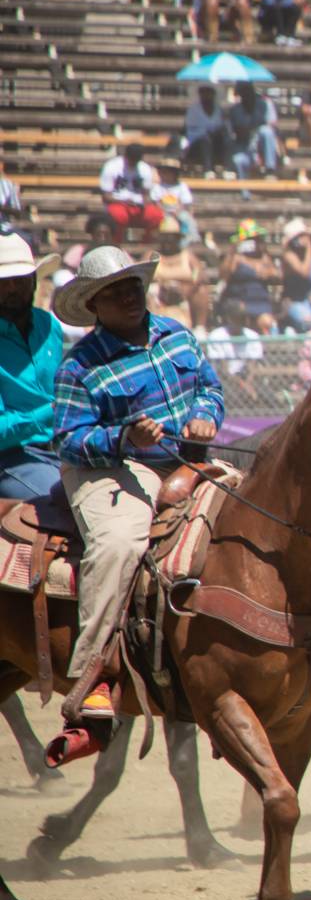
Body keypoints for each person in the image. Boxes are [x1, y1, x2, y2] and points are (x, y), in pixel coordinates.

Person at [46, 246, 223, 766]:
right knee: (120, 541)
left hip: (186, 460)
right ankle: (95, 679)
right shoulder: (80, 365)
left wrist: (205, 417)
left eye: (133, 286)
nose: (129, 297)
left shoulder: (177, 335)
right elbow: (69, 441)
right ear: (93, 305)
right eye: (115, 291)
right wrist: (125, 438)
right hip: (112, 468)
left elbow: (210, 389)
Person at [0, 234, 61, 499]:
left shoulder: (49, 325)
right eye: (4, 282)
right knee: (63, 498)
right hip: (10, 457)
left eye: (20, 279)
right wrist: (50, 413)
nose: (12, 288)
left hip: (63, 446)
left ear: (34, 281)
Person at [218, 221, 281, 331]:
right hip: (239, 300)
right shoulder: (235, 258)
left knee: (268, 322)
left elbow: (278, 274)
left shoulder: (264, 257)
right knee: (240, 314)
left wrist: (269, 272)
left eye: (256, 239)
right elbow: (223, 275)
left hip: (261, 302)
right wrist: (232, 251)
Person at [148, 217, 207, 330]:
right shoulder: (152, 255)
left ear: (178, 238)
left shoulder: (188, 256)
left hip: (184, 297)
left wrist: (185, 290)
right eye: (164, 238)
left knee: (201, 291)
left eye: (171, 238)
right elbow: (141, 274)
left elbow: (198, 275)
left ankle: (200, 328)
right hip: (158, 297)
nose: (167, 241)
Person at [98, 143, 163, 241]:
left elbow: (146, 195)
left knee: (156, 215)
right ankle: (116, 243)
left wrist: (145, 203)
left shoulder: (144, 168)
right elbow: (106, 196)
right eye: (131, 159)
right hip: (118, 203)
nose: (133, 162)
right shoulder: (112, 166)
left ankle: (147, 243)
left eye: (136, 159)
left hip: (138, 206)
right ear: (126, 156)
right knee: (118, 216)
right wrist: (124, 201)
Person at [279, 218, 311, 330]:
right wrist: (309, 248)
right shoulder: (289, 256)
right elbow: (304, 273)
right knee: (308, 322)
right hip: (295, 302)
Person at [226, 82, 280, 179]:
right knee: (239, 160)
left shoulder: (264, 104)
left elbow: (271, 124)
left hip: (260, 143)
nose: (247, 95)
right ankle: (242, 185)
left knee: (266, 131)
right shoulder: (236, 109)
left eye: (248, 92)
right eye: (243, 93)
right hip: (244, 144)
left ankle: (270, 169)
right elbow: (235, 132)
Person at [181, 85, 235, 175]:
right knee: (205, 139)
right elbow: (190, 129)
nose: (206, 95)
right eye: (203, 93)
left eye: (209, 93)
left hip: (216, 142)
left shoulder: (218, 109)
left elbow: (223, 126)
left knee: (227, 138)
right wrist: (205, 132)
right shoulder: (193, 109)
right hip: (196, 142)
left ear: (213, 94)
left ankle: (228, 169)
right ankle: (208, 170)